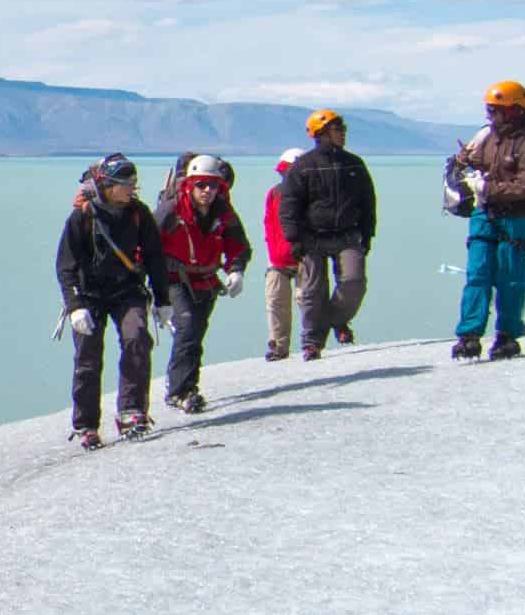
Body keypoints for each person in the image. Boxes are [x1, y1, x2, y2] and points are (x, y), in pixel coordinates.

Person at [57, 153, 171, 447]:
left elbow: (155, 258)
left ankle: (132, 411)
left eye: (134, 182)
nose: (133, 188)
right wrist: (74, 308)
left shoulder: (139, 213)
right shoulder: (82, 216)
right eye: (127, 183)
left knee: (137, 341)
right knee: (87, 360)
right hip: (88, 297)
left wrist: (163, 300)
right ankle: (86, 425)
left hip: (127, 292)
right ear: (109, 185)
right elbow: (65, 266)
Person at [448, 80, 525, 361]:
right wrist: (463, 165)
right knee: (477, 274)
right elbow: (465, 164)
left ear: (513, 110)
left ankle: (507, 335)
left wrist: (486, 188)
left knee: (511, 279)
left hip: (516, 218)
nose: (490, 115)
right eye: (489, 110)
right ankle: (469, 335)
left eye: (495, 110)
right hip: (485, 215)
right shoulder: (487, 137)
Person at [153, 153, 251, 411]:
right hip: (174, 279)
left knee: (194, 334)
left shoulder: (224, 212)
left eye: (213, 185)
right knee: (188, 328)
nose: (208, 191)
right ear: (190, 184)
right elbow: (147, 247)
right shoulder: (170, 211)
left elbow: (238, 245)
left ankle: (188, 387)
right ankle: (179, 391)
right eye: (201, 185)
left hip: (206, 282)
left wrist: (236, 269)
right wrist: (148, 291)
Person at [275, 111, 376, 360]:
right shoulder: (303, 166)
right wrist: (294, 239)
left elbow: (368, 200)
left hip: (348, 234)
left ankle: (335, 320)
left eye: (343, 128)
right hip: (312, 237)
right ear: (320, 134)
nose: (343, 133)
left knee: (354, 283)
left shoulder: (354, 163)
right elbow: (288, 206)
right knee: (312, 292)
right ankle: (311, 342)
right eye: (337, 128)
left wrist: (367, 233)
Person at [259, 145, 303, 360]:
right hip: (278, 260)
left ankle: (312, 343)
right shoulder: (274, 194)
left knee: (307, 299)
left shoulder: (312, 198)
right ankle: (278, 346)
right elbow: (268, 224)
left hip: (305, 257)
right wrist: (271, 252)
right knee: (276, 302)